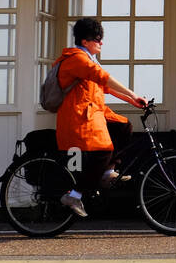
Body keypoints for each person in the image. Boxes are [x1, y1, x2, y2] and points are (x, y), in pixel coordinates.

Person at [53, 17, 148, 217]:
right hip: (78, 119)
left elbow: (104, 87)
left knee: (123, 127)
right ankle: (75, 194)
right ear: (85, 41)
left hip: (92, 115)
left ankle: (106, 173)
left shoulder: (87, 59)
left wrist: (132, 101)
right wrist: (133, 94)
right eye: (97, 39)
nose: (101, 42)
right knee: (103, 151)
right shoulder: (76, 59)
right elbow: (104, 78)